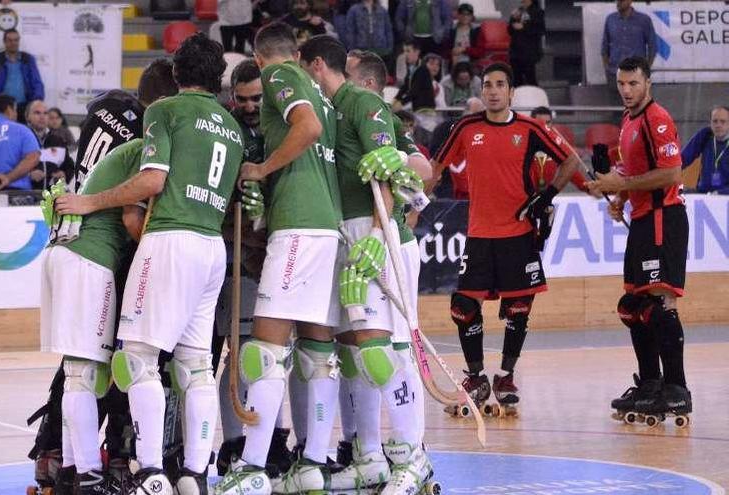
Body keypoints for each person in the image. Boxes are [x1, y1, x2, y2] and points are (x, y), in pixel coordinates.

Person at [54, 33, 243, 495]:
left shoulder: (165, 111)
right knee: (196, 366)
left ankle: (152, 473)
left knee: (138, 361)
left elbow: (152, 179)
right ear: (218, 80)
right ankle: (194, 476)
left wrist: (89, 201)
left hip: (171, 240)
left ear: (177, 73)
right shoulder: (233, 128)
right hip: (211, 246)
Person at [25, 58, 181, 495]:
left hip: (65, 247)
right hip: (96, 254)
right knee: (112, 364)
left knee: (78, 367)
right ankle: (104, 466)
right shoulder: (149, 142)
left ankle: (62, 459)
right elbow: (137, 206)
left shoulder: (104, 110)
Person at [212, 22, 341, 495]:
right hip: (326, 225)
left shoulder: (278, 77)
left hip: (300, 224)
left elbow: (303, 128)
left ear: (259, 56)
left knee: (264, 351)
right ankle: (313, 463)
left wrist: (263, 167)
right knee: (317, 351)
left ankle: (250, 468)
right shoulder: (322, 91)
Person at [432, 63, 581, 412]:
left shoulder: (531, 128)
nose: (493, 91)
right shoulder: (467, 127)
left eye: (500, 85)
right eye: (487, 85)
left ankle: (505, 376)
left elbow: (570, 161)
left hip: (519, 233)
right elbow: (436, 169)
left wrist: (545, 197)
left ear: (511, 92)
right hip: (479, 234)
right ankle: (476, 377)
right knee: (463, 307)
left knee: (518, 308)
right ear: (481, 91)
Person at [338, 47, 435, 494]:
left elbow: (422, 168)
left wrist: (397, 162)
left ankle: (414, 453)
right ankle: (370, 453)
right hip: (355, 240)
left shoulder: (379, 116)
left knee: (394, 350)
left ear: (368, 84)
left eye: (348, 73)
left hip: (393, 243)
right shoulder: (338, 115)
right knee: (360, 354)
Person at [586, 57, 692, 422]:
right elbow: (633, 172)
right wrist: (621, 198)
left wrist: (624, 186)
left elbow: (671, 172)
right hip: (643, 219)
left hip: (665, 218)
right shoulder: (628, 121)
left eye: (633, 83)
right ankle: (650, 384)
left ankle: (676, 390)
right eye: (621, 84)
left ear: (647, 82)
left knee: (662, 303)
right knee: (632, 306)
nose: (626, 90)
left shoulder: (656, 118)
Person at [73, 59, 177, 191]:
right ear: (162, 100)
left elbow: (90, 106)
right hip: (104, 207)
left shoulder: (108, 99)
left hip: (77, 197)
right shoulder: (148, 134)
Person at [429, 96, 485, 199]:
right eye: (476, 114)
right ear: (466, 112)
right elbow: (435, 155)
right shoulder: (444, 129)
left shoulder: (486, 130)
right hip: (447, 181)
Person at [0, 29, 45, 122]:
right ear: (4, 42)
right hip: (4, 107)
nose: (13, 43)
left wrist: (36, 102)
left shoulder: (28, 59)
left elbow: (37, 82)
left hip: (25, 106)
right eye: (10, 40)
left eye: (16, 40)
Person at [529, 106, 588, 192]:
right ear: (532, 122)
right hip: (523, 194)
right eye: (540, 123)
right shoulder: (523, 142)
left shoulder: (557, 144)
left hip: (546, 195)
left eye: (548, 123)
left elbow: (569, 167)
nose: (545, 127)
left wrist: (585, 186)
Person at [601, 0, 655, 88]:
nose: (618, 3)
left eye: (621, 1)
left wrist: (646, 69)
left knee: (637, 101)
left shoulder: (644, 20)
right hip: (614, 73)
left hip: (636, 74)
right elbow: (604, 46)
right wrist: (607, 68)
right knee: (614, 101)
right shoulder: (610, 19)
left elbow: (652, 46)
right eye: (617, 1)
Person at [26, 100, 75, 190]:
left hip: (51, 197)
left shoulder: (57, 140)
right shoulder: (21, 139)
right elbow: (10, 168)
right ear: (28, 117)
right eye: (37, 113)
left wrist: (64, 174)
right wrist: (28, 175)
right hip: (27, 195)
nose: (42, 117)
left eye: (45, 113)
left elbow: (69, 166)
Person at [681, 105, 729, 194]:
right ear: (710, 123)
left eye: (723, 122)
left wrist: (721, 192)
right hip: (703, 193)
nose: (718, 125)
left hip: (725, 196)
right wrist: (670, 172)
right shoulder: (706, 135)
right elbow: (683, 158)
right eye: (715, 121)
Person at [508, 0, 545, 87]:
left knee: (530, 78)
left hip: (529, 51)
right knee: (516, 79)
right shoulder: (518, 11)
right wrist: (513, 18)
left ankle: (535, 98)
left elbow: (540, 30)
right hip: (515, 50)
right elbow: (510, 30)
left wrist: (524, 27)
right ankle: (518, 99)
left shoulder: (537, 11)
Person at [444, 3, 484, 68]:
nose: (465, 17)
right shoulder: (451, 30)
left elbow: (480, 52)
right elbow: (445, 50)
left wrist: (464, 49)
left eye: (468, 14)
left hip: (471, 65)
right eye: (462, 14)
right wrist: (452, 53)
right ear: (458, 15)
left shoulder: (477, 30)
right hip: (454, 65)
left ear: (472, 16)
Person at [394, 40, 422, 109]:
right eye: (404, 51)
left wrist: (401, 103)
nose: (405, 54)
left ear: (417, 52)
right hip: (405, 93)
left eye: (408, 51)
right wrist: (395, 99)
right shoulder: (402, 59)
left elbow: (414, 91)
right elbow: (401, 80)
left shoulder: (422, 68)